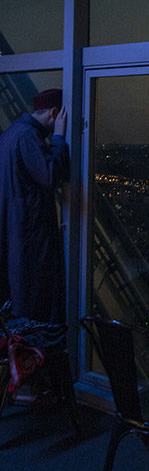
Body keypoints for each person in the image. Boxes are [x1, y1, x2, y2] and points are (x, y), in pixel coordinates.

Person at [0, 88, 69, 323]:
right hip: (30, 235)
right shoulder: (27, 137)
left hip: (15, 231)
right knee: (36, 300)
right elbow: (49, 174)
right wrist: (58, 137)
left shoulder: (11, 134)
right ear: (54, 113)